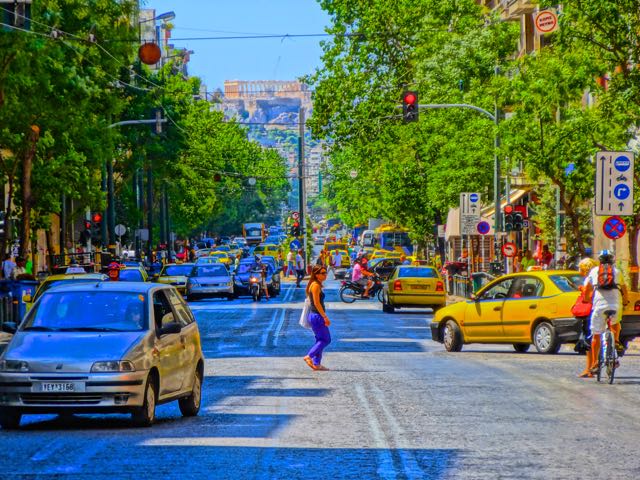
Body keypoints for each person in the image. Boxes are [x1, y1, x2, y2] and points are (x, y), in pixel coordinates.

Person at [583, 249, 629, 375]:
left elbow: (586, 290)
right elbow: (624, 291)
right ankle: (616, 343)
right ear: (612, 260)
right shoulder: (617, 272)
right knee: (616, 323)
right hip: (615, 304)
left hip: (599, 306)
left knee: (596, 335)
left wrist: (588, 300)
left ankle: (595, 363)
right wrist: (625, 301)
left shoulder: (594, 272)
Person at [303, 265, 331, 371]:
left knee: (320, 339)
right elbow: (316, 303)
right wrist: (325, 317)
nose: (325, 275)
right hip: (317, 316)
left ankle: (316, 364)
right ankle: (309, 356)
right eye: (323, 273)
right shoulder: (315, 285)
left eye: (325, 273)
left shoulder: (316, 284)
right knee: (326, 339)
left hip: (315, 315)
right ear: (316, 274)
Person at [576, 257, 598, 378]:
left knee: (588, 339)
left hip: (592, 310)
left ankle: (589, 369)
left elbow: (587, 297)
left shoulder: (589, 278)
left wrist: (582, 290)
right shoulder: (599, 275)